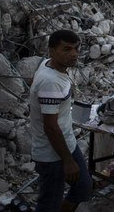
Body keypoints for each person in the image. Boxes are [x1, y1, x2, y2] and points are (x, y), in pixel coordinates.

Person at [29, 30, 92, 212]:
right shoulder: (51, 82)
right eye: (66, 49)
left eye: (76, 48)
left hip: (67, 142)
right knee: (49, 204)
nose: (73, 54)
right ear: (52, 51)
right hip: (52, 154)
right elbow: (50, 126)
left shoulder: (49, 66)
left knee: (83, 186)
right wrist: (67, 161)